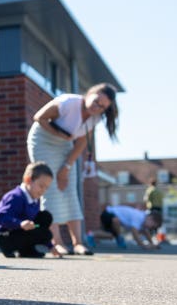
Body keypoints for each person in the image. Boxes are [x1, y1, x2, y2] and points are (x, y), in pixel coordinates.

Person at [27, 82, 119, 256]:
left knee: (69, 188)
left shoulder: (95, 118)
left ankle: (78, 243)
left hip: (64, 145)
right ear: (89, 93)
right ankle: (56, 242)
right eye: (97, 101)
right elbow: (39, 117)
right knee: (50, 188)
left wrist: (67, 167)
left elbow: (82, 142)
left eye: (102, 107)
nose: (97, 107)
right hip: (43, 140)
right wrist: (61, 135)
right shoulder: (68, 103)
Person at [0, 162, 57, 258]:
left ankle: (27, 250)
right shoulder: (15, 196)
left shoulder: (35, 199)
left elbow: (36, 223)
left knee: (45, 218)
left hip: (19, 231)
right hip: (4, 236)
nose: (43, 190)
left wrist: (51, 247)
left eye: (46, 188)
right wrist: (20, 223)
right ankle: (10, 248)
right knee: (45, 232)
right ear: (28, 180)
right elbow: (2, 218)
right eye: (41, 186)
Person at [98, 205, 162, 250]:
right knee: (112, 234)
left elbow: (146, 232)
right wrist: (143, 245)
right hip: (107, 214)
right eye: (153, 226)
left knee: (111, 234)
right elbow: (134, 232)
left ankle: (92, 235)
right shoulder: (139, 217)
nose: (151, 228)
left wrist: (152, 244)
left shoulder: (143, 218)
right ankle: (119, 238)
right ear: (150, 218)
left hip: (109, 214)